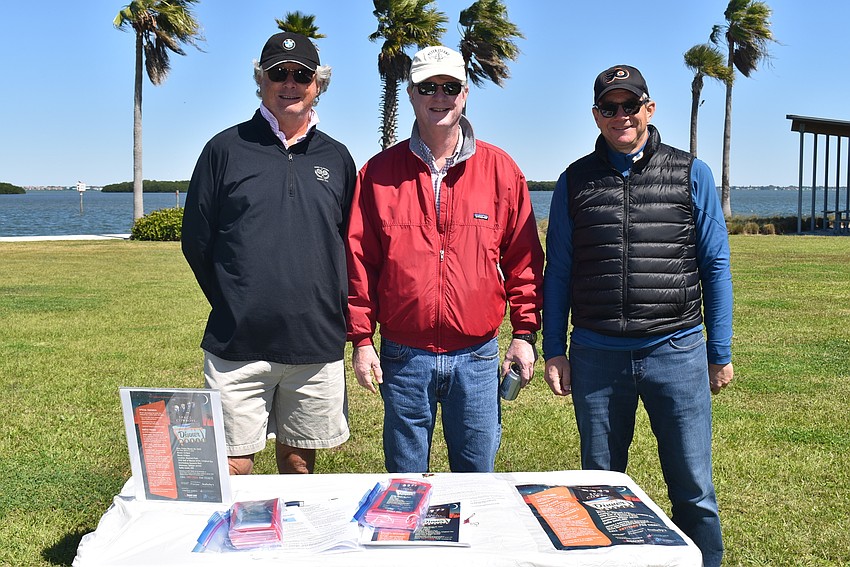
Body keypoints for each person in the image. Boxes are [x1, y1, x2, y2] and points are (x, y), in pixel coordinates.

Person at [542, 64, 733, 567]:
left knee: (693, 489)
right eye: (610, 107)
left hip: (677, 350)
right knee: (601, 490)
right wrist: (555, 350)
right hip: (597, 355)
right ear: (596, 115)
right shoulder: (573, 180)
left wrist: (720, 351)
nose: (621, 115)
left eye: (631, 105)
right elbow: (558, 269)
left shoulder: (692, 172)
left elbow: (715, 264)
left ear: (649, 108)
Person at [346, 45, 544, 473]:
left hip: (476, 356)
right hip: (403, 356)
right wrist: (362, 341)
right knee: (404, 486)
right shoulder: (377, 173)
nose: (439, 96)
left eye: (450, 86)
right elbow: (360, 263)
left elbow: (523, 262)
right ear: (412, 94)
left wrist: (525, 333)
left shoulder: (501, 170)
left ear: (466, 93)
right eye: (428, 87)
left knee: (477, 485)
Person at [181, 31, 356, 475]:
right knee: (234, 467)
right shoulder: (224, 150)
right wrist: (236, 298)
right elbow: (196, 241)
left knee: (299, 465)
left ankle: (291, 543)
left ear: (318, 84)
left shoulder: (337, 158)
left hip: (315, 343)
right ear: (260, 80)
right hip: (237, 344)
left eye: (302, 75)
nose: (290, 83)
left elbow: (347, 242)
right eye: (278, 73)